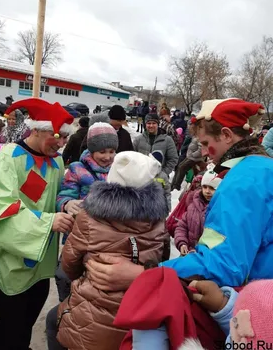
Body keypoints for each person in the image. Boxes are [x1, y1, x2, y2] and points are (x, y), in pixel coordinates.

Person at [86, 98, 273, 347]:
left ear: (227, 135)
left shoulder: (242, 182)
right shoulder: (263, 168)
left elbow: (226, 265)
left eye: (207, 144)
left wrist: (146, 274)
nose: (204, 152)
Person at [0, 98, 75, 350]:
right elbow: (3, 210)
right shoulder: (8, 159)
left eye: (65, 137)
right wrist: (49, 221)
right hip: (13, 263)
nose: (61, 143)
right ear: (35, 130)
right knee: (11, 328)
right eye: (56, 135)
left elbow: (57, 197)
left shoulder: (56, 161)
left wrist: (68, 205)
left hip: (41, 264)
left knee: (27, 321)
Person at [54, 151, 168, 350]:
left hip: (92, 312)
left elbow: (69, 264)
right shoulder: (158, 221)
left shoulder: (88, 217)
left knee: (53, 323)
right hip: (140, 312)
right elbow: (161, 259)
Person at [174, 170, 222, 255]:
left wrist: (201, 251)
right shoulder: (193, 206)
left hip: (208, 258)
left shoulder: (221, 210)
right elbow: (182, 227)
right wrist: (182, 243)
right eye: (204, 187)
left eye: (212, 188)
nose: (207, 191)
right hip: (189, 255)